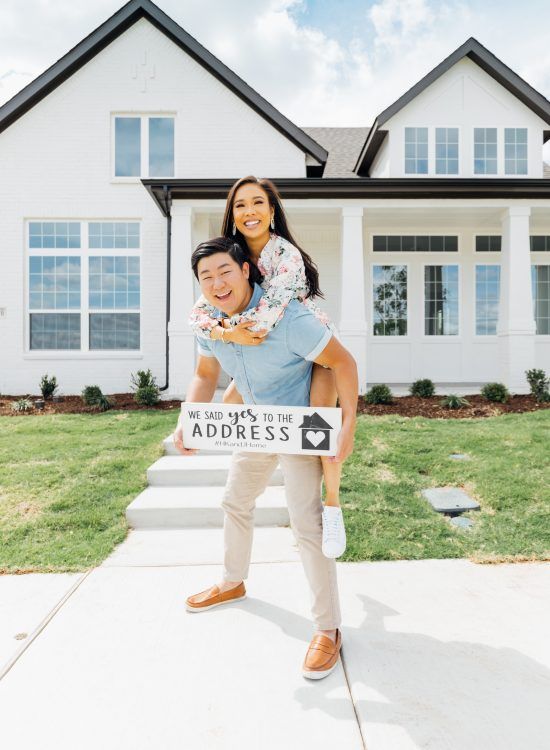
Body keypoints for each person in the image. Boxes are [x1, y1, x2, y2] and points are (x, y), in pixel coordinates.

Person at [174, 237, 358, 680]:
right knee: (235, 502)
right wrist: (190, 419)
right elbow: (205, 374)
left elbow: (343, 361)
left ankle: (328, 628)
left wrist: (346, 426)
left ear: (246, 271)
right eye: (206, 277)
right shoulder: (209, 322)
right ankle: (232, 580)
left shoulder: (289, 319)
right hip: (255, 423)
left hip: (298, 427)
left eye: (225, 272)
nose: (217, 283)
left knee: (306, 525)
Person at [188, 176, 346, 558]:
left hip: (310, 347)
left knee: (322, 431)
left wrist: (230, 333)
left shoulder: (285, 256)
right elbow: (199, 313)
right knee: (230, 410)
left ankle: (334, 504)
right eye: (240, 205)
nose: (249, 212)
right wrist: (228, 334)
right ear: (232, 214)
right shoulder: (229, 253)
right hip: (259, 353)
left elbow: (266, 318)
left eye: (257, 203)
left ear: (271, 211)